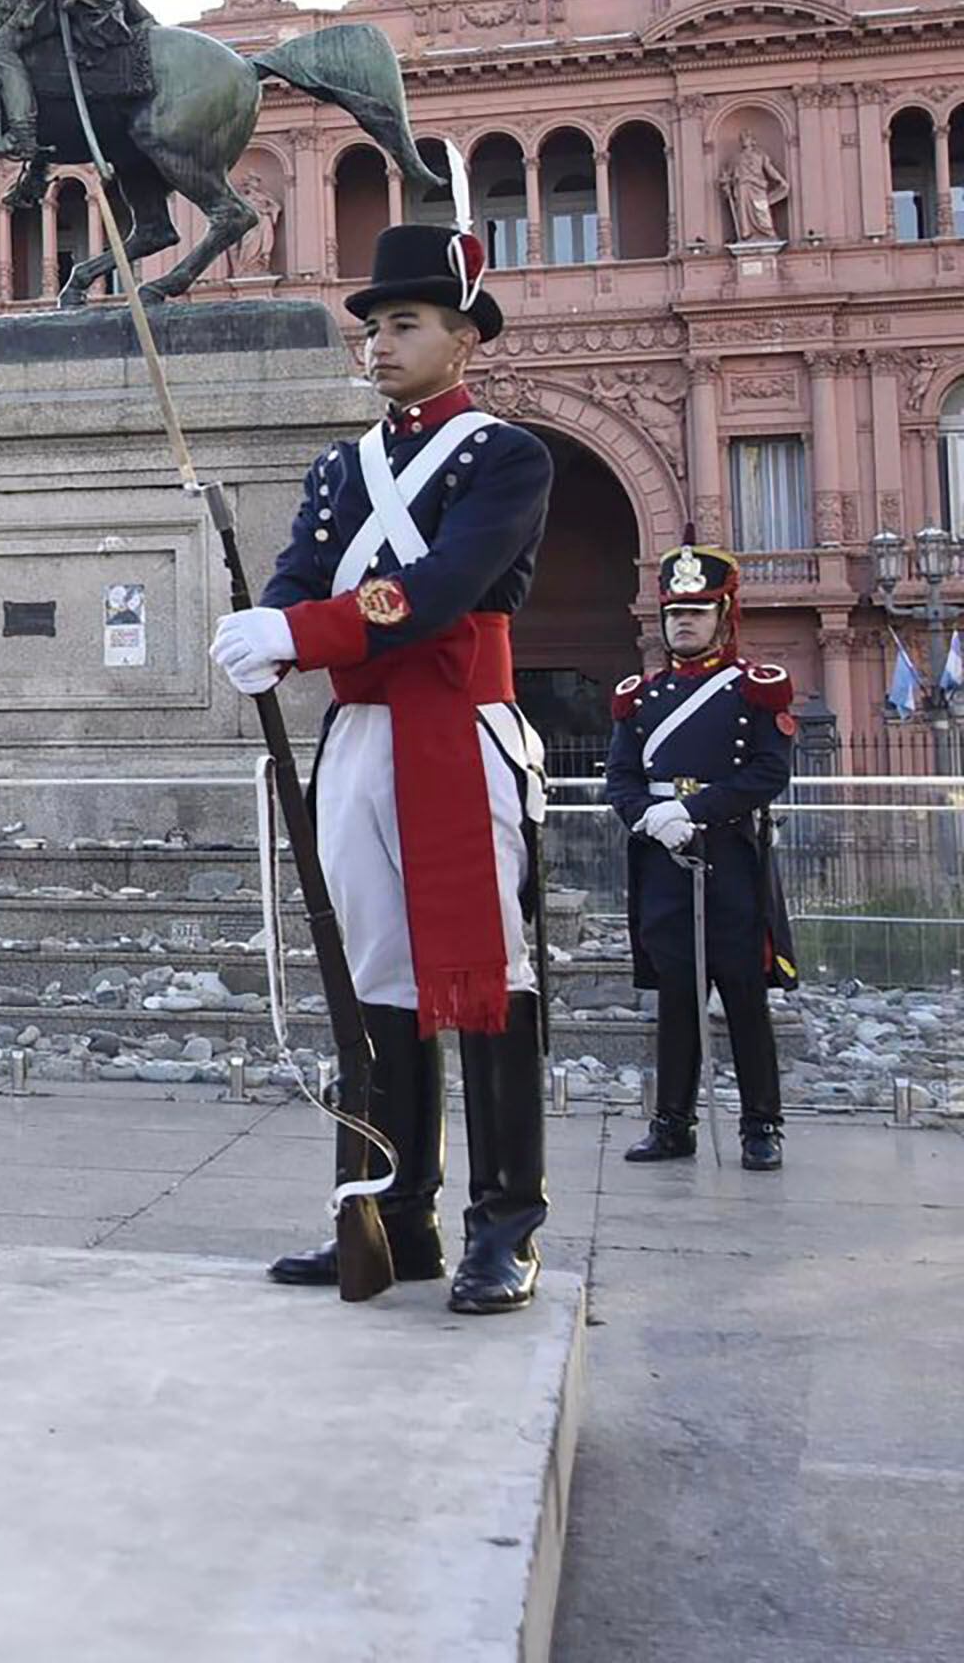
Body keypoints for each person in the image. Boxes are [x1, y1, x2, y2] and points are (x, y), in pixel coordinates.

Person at [209, 218, 554, 1312]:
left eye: (405, 323)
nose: (379, 342)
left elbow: (446, 585)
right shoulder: (340, 467)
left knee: (489, 980)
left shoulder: (507, 457)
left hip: (461, 724)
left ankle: (507, 1225)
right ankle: (389, 1213)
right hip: (360, 738)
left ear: (463, 337)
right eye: (372, 326)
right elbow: (301, 569)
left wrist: (299, 635)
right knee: (374, 988)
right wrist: (261, 627)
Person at [604, 534, 799, 1170]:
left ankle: (761, 1126)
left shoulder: (754, 690)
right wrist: (652, 820)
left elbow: (768, 773)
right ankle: (671, 1123)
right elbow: (620, 779)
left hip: (730, 858)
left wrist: (692, 811)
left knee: (744, 997)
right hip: (664, 860)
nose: (683, 623)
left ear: (723, 616)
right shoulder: (642, 697)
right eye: (674, 614)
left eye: (696, 611)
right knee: (677, 1000)